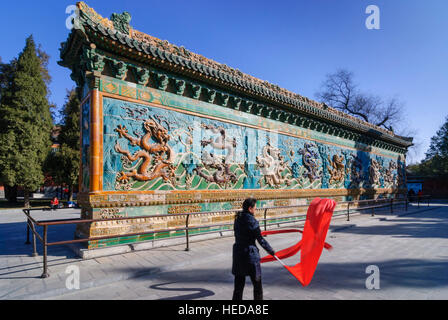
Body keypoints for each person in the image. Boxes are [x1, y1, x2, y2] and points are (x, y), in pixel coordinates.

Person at [232, 197, 275, 300]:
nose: (256, 209)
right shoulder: (252, 221)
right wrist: (271, 251)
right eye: (255, 207)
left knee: (238, 286)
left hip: (238, 254)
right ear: (250, 208)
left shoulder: (237, 219)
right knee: (257, 285)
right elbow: (260, 240)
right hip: (250, 255)